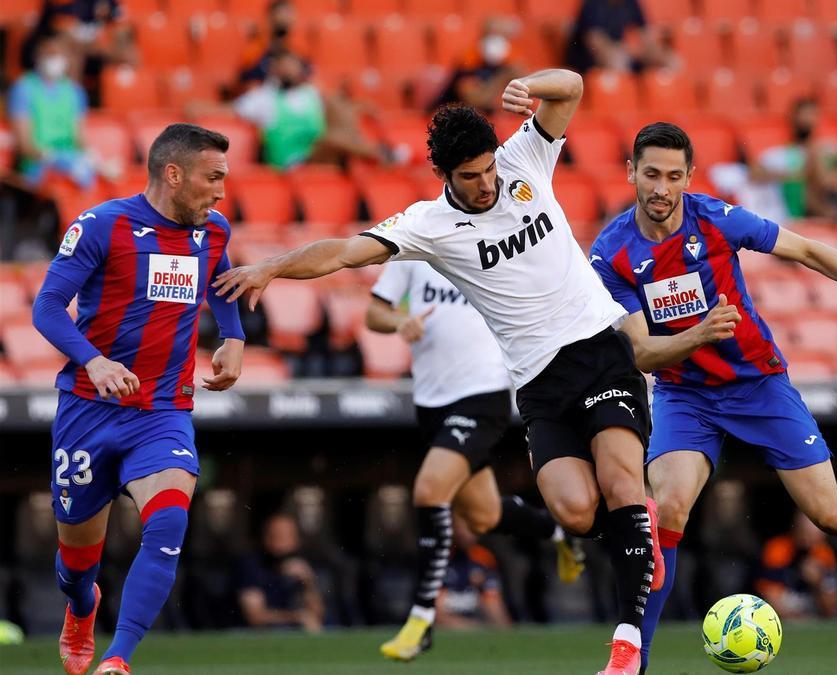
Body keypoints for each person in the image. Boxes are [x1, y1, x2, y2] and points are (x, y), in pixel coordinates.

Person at [213, 69, 662, 675]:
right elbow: (344, 252)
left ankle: (627, 645)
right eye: (469, 177)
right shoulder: (429, 226)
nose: (485, 185)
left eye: (487, 170)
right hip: (537, 382)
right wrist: (272, 266)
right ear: (444, 177)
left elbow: (573, 86)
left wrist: (529, 82)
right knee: (577, 512)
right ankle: (634, 528)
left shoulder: (525, 155)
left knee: (619, 479)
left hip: (598, 347)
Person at [588, 122, 837, 674]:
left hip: (758, 384)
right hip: (685, 395)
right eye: (651, 173)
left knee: (828, 511)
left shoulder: (714, 219)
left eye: (673, 176)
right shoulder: (611, 253)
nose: (661, 187)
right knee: (669, 511)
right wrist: (699, 335)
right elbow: (639, 352)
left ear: (689, 177)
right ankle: (637, 659)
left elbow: (804, 249)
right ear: (631, 172)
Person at [31, 123, 245, 675]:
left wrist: (234, 338)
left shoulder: (212, 231)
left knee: (169, 521)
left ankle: (118, 658)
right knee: (78, 561)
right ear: (173, 174)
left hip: (162, 413)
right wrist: (94, 361)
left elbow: (222, 284)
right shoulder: (104, 225)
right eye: (213, 177)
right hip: (88, 410)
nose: (221, 190)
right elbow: (48, 308)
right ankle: (82, 606)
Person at [367, 259, 585, 661]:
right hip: (431, 405)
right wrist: (401, 321)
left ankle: (421, 619)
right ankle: (559, 531)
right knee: (483, 516)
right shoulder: (412, 248)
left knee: (429, 491)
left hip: (484, 395)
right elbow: (373, 312)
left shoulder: (490, 246)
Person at [230, 49, 388, 169]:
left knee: (340, 119)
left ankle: (376, 158)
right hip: (290, 162)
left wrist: (361, 106)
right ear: (274, 69)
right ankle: (380, 154)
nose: (288, 70)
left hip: (317, 155)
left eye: (292, 65)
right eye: (284, 66)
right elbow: (231, 109)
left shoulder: (310, 93)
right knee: (330, 139)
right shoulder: (264, 97)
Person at [9, 34, 100, 189]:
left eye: (58, 55)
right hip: (36, 163)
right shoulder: (24, 88)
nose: (54, 60)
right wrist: (52, 158)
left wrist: (92, 158)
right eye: (49, 54)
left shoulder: (74, 91)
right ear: (37, 57)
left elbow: (80, 137)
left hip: (70, 158)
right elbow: (24, 145)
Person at [235, 513, 325, 633]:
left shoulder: (302, 565)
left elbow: (317, 616)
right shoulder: (251, 567)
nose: (280, 543)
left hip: (293, 631)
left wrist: (308, 582)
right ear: (264, 539)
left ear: (297, 540)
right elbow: (255, 617)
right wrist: (296, 618)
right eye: (274, 536)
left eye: (286, 536)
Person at [429, 16, 524, 114]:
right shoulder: (468, 60)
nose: (497, 42)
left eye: (501, 36)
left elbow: (525, 93)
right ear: (483, 36)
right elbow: (475, 100)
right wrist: (501, 78)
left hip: (478, 118)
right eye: (492, 35)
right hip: (448, 117)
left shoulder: (507, 61)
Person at [755, 512, 837, 620]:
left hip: (814, 614)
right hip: (785, 614)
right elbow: (769, 596)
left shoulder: (825, 555)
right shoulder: (778, 549)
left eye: (812, 535)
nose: (807, 540)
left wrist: (818, 582)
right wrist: (797, 618)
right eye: (804, 532)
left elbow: (832, 609)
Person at [564, 0, 676, 74]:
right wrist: (626, 51)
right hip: (586, 63)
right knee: (618, 62)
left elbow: (646, 36)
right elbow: (596, 45)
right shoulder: (592, 4)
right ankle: (625, 106)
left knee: (671, 62)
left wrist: (657, 55)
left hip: (618, 54)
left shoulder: (631, 3)